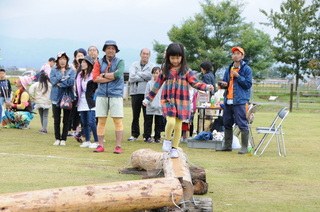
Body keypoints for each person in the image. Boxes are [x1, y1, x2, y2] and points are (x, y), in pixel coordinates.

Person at [143, 42, 214, 158]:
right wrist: (148, 99)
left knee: (178, 126)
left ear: (182, 57)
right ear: (168, 57)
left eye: (178, 58)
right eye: (172, 58)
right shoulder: (165, 70)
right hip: (168, 100)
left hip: (182, 102)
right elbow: (157, 85)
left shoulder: (186, 70)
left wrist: (205, 86)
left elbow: (194, 83)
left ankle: (174, 148)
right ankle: (167, 140)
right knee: (170, 122)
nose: (175, 61)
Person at [216, 47, 252, 154]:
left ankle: (244, 147)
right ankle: (227, 145)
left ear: (242, 56)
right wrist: (224, 84)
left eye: (238, 53)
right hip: (228, 100)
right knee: (227, 123)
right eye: (234, 53)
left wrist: (238, 76)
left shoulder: (247, 69)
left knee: (242, 123)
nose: (235, 55)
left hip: (240, 101)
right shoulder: (229, 68)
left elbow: (248, 84)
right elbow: (227, 83)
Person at [92, 40, 125, 154]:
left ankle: (118, 146)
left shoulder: (120, 61)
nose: (110, 50)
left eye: (113, 48)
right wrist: (111, 77)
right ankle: (100, 145)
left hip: (116, 94)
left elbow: (118, 74)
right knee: (101, 120)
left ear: (115, 50)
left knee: (117, 120)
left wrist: (104, 75)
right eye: (108, 48)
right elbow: (95, 78)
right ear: (105, 49)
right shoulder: (99, 62)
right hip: (101, 94)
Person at [127, 48, 155, 141]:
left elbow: (151, 77)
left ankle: (147, 135)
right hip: (135, 93)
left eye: (147, 54)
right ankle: (134, 134)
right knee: (135, 115)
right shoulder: (134, 64)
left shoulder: (152, 65)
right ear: (140, 54)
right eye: (144, 53)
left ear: (149, 56)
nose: (145, 55)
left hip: (146, 94)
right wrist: (144, 76)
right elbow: (131, 77)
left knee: (147, 115)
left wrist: (138, 73)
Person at [50, 52, 76, 146]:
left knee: (66, 120)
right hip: (55, 97)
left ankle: (64, 139)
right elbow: (52, 81)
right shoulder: (53, 70)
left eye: (64, 59)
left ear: (67, 61)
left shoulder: (71, 71)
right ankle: (57, 138)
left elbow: (71, 82)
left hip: (67, 97)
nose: (62, 61)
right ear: (57, 61)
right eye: (60, 59)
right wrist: (62, 75)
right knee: (56, 119)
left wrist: (60, 83)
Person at [75, 55, 99, 148]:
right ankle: (87, 140)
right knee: (84, 122)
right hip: (81, 100)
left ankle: (97, 141)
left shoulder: (93, 74)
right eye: (82, 62)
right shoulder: (80, 75)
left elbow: (97, 87)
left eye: (84, 62)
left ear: (89, 64)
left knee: (91, 121)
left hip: (91, 100)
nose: (82, 64)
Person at [68, 48, 86, 136]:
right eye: (78, 56)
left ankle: (76, 129)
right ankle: (68, 129)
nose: (80, 57)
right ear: (75, 57)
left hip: (81, 92)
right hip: (72, 92)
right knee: (71, 111)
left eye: (82, 56)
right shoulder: (71, 67)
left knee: (78, 112)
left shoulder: (86, 67)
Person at [144, 66, 163, 143]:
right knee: (148, 122)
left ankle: (157, 137)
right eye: (154, 73)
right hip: (150, 105)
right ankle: (147, 136)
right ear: (152, 74)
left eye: (157, 73)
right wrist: (147, 102)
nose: (156, 75)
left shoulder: (162, 84)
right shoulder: (149, 83)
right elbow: (146, 94)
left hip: (159, 106)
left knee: (158, 122)